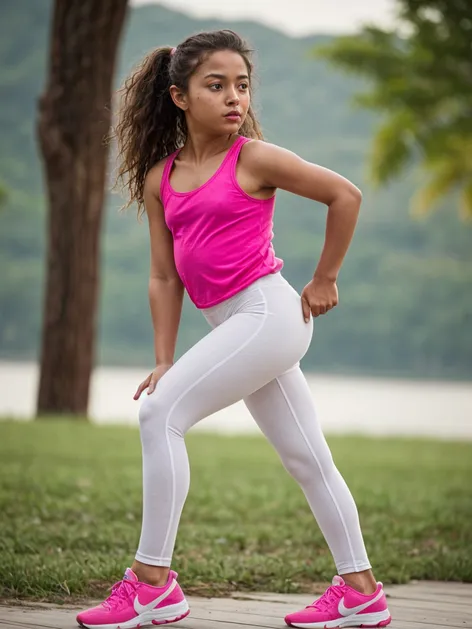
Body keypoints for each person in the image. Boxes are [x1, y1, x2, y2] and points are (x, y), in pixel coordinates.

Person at [76, 29, 391, 629]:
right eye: (215, 86)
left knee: (158, 416)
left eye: (241, 86)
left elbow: (344, 196)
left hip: (268, 314)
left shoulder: (253, 157)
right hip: (236, 325)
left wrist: (325, 278)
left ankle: (151, 583)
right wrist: (165, 358)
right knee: (308, 459)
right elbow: (164, 279)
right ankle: (362, 592)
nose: (233, 98)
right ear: (178, 97)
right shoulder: (160, 179)